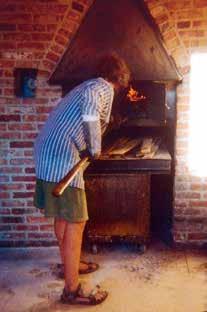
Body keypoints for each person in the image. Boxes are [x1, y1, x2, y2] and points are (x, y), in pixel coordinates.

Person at [33, 52, 131, 305]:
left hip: (48, 152)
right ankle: (72, 289)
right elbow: (89, 114)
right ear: (120, 78)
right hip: (61, 157)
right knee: (76, 221)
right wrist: (95, 147)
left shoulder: (86, 85)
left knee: (63, 218)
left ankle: (70, 265)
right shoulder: (102, 88)